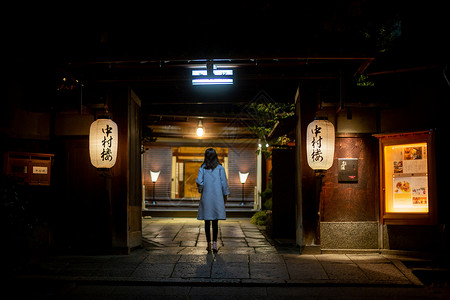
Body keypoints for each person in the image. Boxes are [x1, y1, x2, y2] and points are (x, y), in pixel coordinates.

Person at [196, 148, 230, 253]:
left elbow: (199, 181)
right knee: (215, 221)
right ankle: (215, 244)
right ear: (216, 156)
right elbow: (224, 182)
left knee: (207, 221)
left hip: (206, 197)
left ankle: (208, 244)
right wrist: (225, 195)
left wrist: (201, 189)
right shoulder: (220, 168)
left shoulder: (202, 168)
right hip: (217, 197)